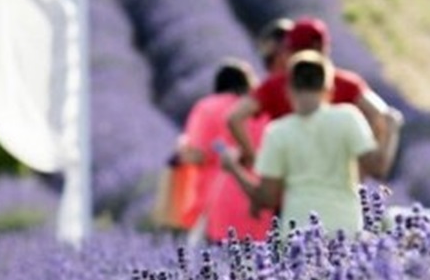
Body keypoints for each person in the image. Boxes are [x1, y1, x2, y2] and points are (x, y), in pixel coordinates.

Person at [220, 49, 403, 237]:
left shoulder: (278, 132)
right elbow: (378, 168)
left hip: (297, 233)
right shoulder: (348, 118)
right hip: (345, 230)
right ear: (329, 90)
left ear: (288, 90)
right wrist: (391, 130)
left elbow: (266, 197)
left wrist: (233, 168)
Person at [226, 16, 399, 177]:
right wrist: (361, 166)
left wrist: (252, 157)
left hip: (290, 179)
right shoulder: (348, 84)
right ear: (324, 48)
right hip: (338, 182)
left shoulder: (275, 85)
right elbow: (383, 117)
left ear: (290, 50)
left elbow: (235, 117)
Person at [173, 58, 274, 244]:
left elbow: (197, 154)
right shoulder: (259, 109)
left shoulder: (207, 107)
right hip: (258, 194)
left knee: (213, 256)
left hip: (217, 196)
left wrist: (181, 152)